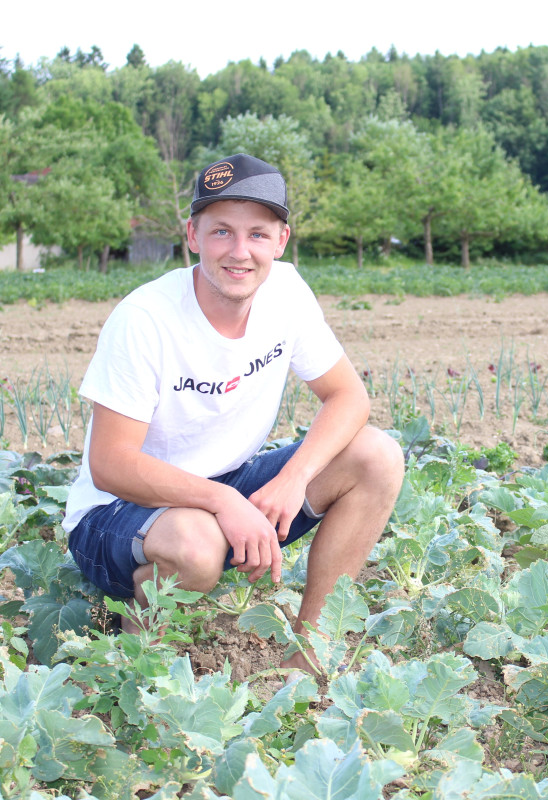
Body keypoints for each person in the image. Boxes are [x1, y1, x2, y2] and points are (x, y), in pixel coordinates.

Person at [62, 153, 403, 673]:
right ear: (193, 236)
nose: (240, 252)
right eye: (221, 232)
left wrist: (294, 480)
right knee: (196, 544)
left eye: (258, 235)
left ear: (281, 241)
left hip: (225, 485)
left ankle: (310, 658)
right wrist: (223, 503)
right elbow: (111, 464)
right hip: (114, 513)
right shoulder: (144, 319)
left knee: (377, 456)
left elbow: (349, 397)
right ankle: (137, 654)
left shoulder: (286, 291)